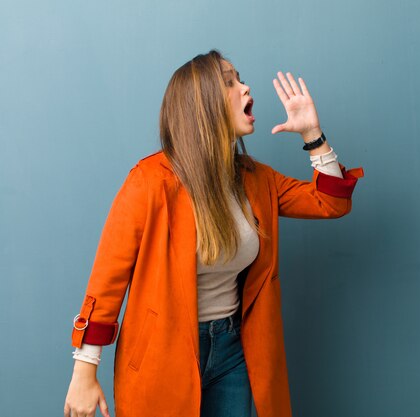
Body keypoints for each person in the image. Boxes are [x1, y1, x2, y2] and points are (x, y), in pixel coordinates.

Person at [64, 49, 363, 417]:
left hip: (233, 349)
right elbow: (107, 280)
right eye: (230, 82)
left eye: (240, 78)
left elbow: (330, 202)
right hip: (163, 355)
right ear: (202, 103)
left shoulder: (256, 179)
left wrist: (313, 135)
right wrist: (84, 369)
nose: (245, 86)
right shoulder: (150, 181)